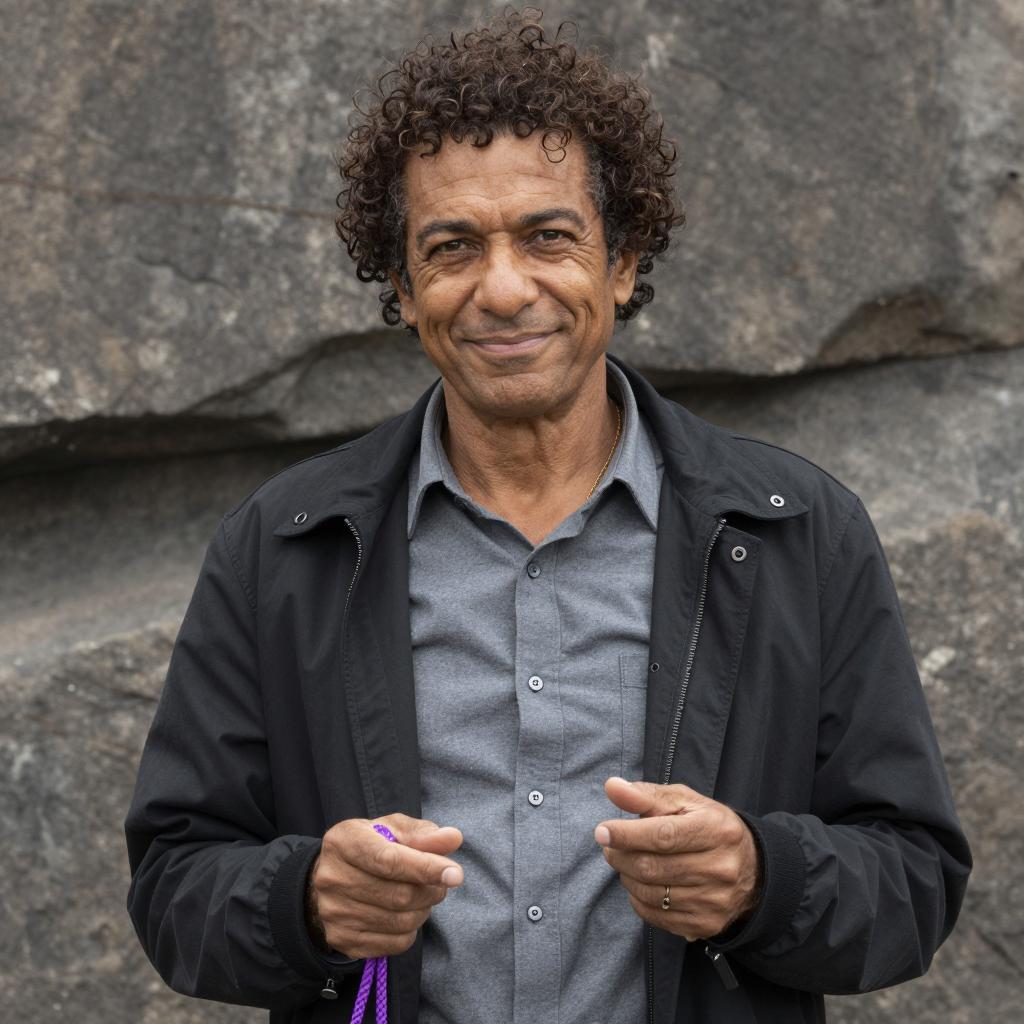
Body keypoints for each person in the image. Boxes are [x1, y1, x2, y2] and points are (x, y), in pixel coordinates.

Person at [125, 10, 971, 1023]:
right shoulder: (285, 547)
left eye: (548, 237)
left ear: (622, 263)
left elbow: (913, 880)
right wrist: (303, 901)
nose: (503, 288)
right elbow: (174, 884)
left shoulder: (796, 532)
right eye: (451, 248)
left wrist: (762, 879)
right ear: (404, 287)